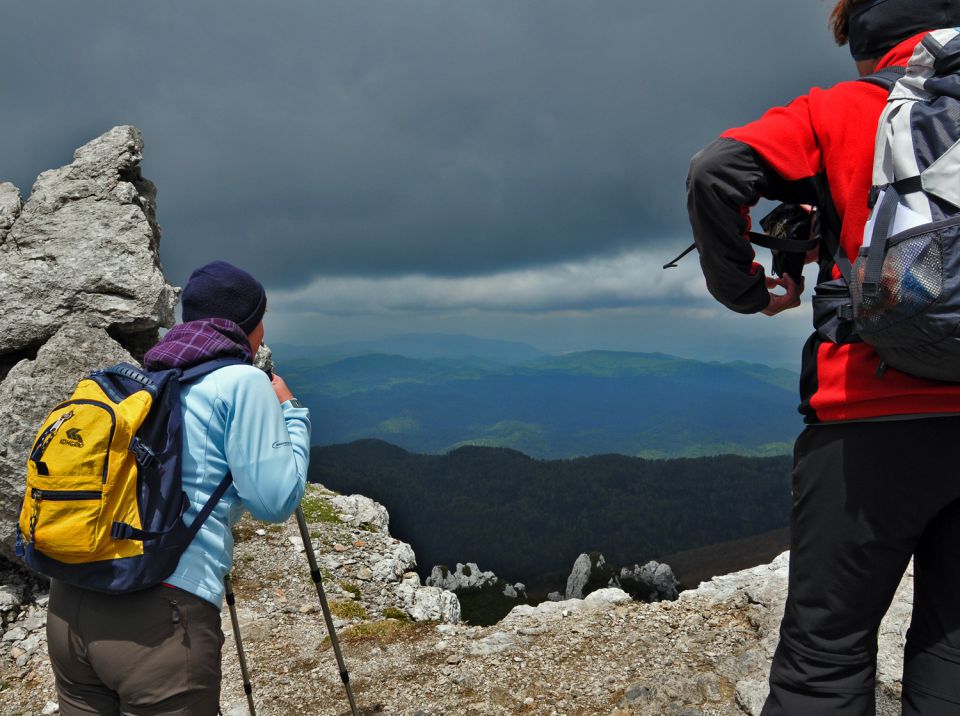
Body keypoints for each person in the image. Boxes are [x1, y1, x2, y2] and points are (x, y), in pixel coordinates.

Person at [687, 1, 960, 714]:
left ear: (866, 39)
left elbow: (716, 172)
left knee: (827, 655)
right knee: (953, 652)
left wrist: (749, 292)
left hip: (865, 415)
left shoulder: (843, 108)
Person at [46, 260, 310, 714]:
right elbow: (274, 500)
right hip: (158, 623)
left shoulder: (143, 381)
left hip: (70, 605)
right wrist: (292, 414)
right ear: (247, 324)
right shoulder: (240, 381)